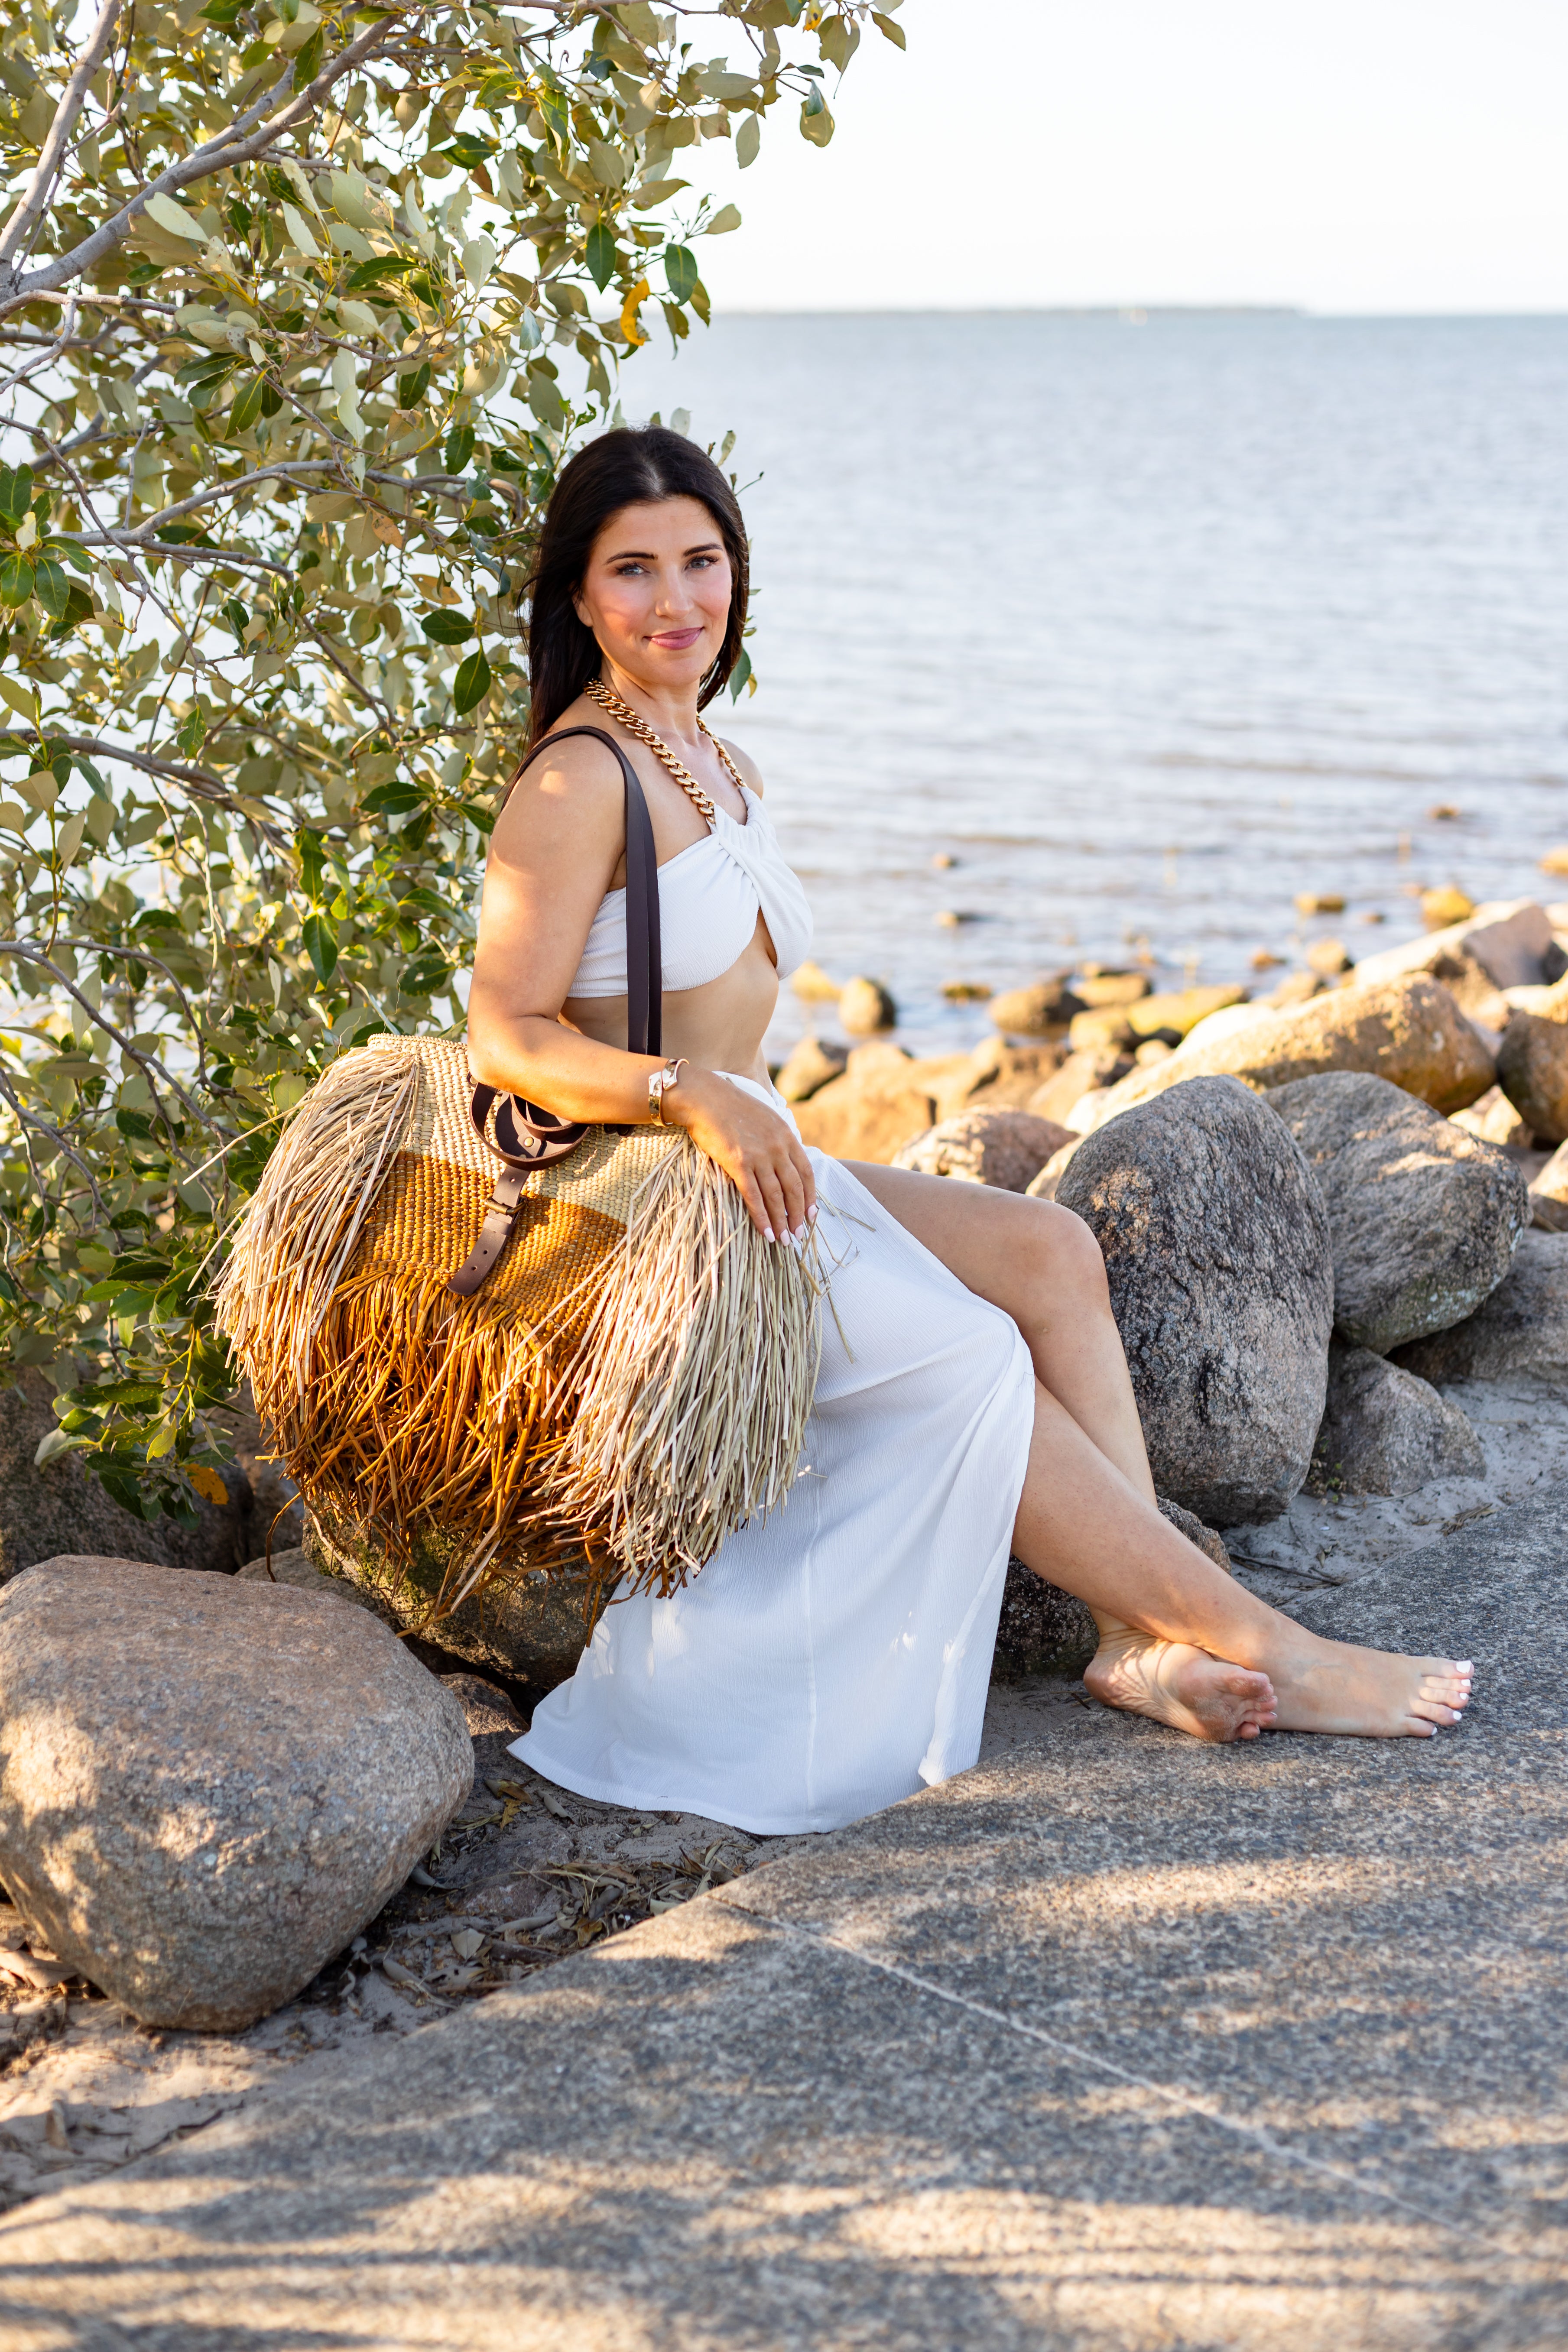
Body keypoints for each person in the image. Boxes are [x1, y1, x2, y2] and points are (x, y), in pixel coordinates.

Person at [466, 426, 1472, 1836]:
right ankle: (1271, 1649)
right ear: (578, 596)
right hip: (661, 1198)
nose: (675, 599)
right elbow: (503, 1031)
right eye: (633, 570)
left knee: (1048, 1247)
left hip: (763, 1165)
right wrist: (688, 1095)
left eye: (702, 561)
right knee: (969, 1356)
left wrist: (738, 1110)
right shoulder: (579, 784)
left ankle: (1137, 1639)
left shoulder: (714, 756)